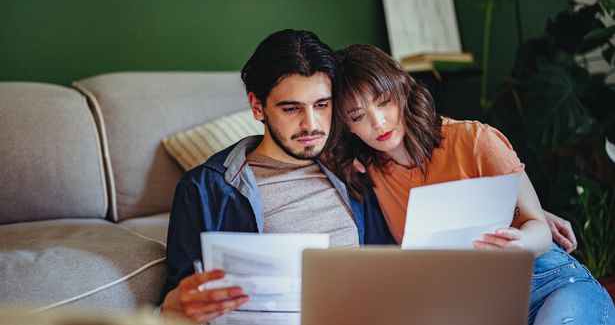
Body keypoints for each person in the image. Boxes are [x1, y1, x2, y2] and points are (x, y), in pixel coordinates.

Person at [327, 44, 615, 325]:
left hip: (545, 280)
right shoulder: (370, 172)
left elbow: (539, 229)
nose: (378, 123)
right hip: (477, 304)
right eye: (358, 116)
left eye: (384, 101)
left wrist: (520, 243)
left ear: (402, 90)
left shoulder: (475, 140)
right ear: (346, 126)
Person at [158, 30, 395, 323]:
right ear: (257, 106)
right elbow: (173, 305)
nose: (311, 125)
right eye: (291, 108)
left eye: (322, 105)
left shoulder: (353, 168)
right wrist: (175, 308)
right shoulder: (206, 189)